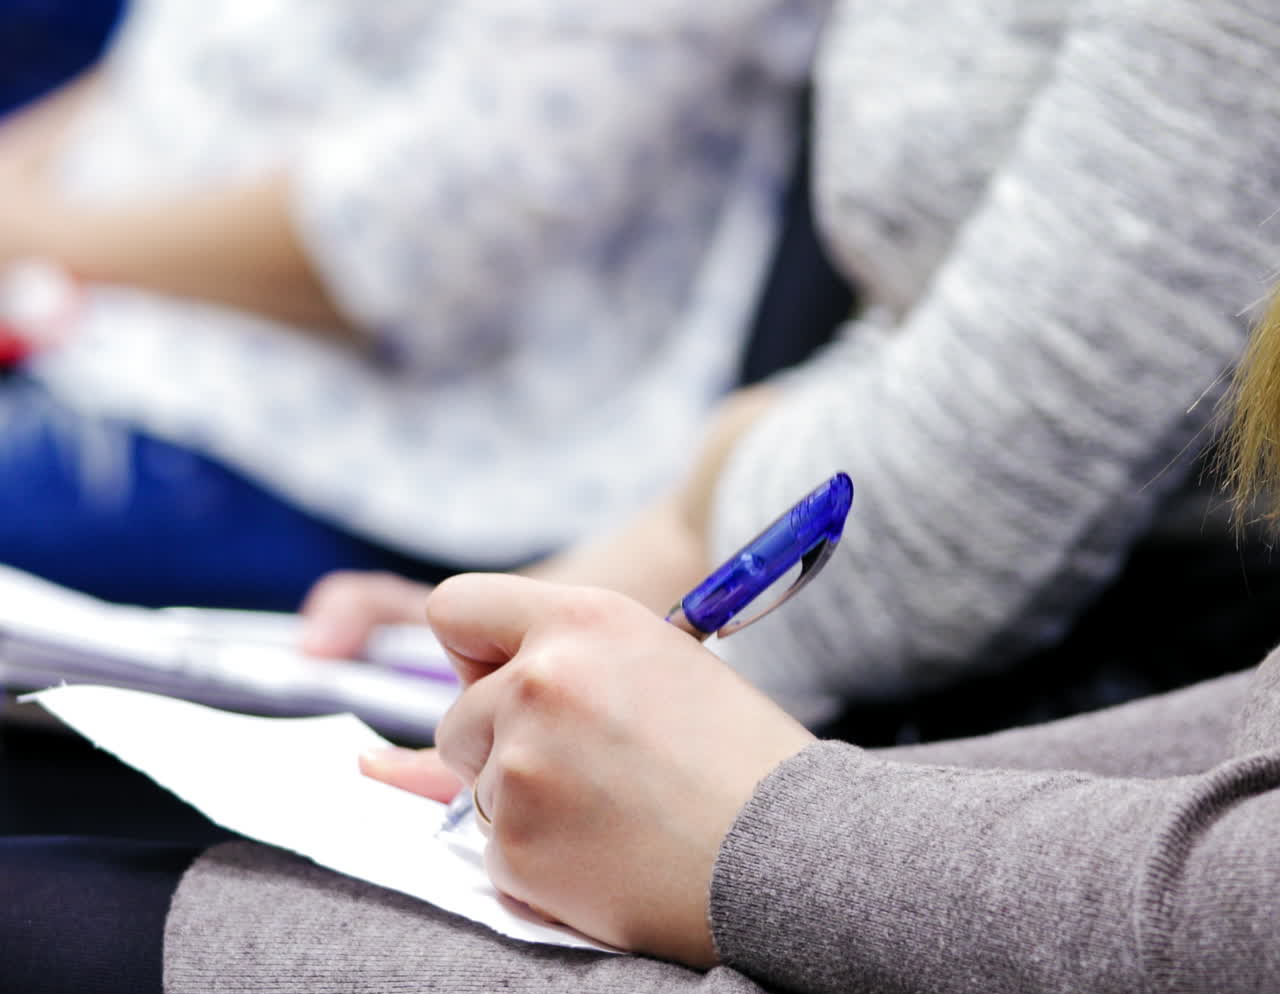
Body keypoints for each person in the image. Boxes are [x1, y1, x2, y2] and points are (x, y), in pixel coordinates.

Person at [9, 2, 1280, 994]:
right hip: (1000, 799)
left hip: (1056, 854)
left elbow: (974, 480)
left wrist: (750, 818)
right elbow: (912, 341)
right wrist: (577, 609)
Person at [303, 0, 1280, 748]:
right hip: (875, 600)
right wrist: (554, 608)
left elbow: (972, 499)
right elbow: (928, 316)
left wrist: (714, 485)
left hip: (1137, 705)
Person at [0, 0, 824, 608]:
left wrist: (40, 234)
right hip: (100, 326)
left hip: (347, 451)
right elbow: (187, 60)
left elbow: (403, 244)